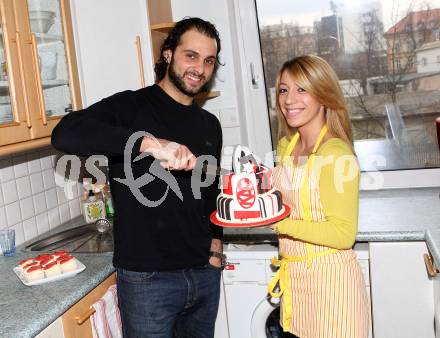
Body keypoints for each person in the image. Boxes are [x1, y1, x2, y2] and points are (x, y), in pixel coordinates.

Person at [52, 17, 224, 338]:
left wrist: (215, 250)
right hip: (149, 281)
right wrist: (149, 143)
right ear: (169, 53)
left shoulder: (209, 124)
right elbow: (66, 134)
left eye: (209, 60)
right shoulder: (131, 107)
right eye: (191, 55)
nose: (199, 68)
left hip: (204, 274)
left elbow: (210, 193)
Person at [267, 55, 370, 337]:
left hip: (332, 285)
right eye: (284, 90)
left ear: (324, 95)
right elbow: (296, 197)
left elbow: (342, 233)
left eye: (302, 89)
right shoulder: (288, 146)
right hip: (297, 283)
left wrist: (278, 223)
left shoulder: (335, 154)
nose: (289, 99)